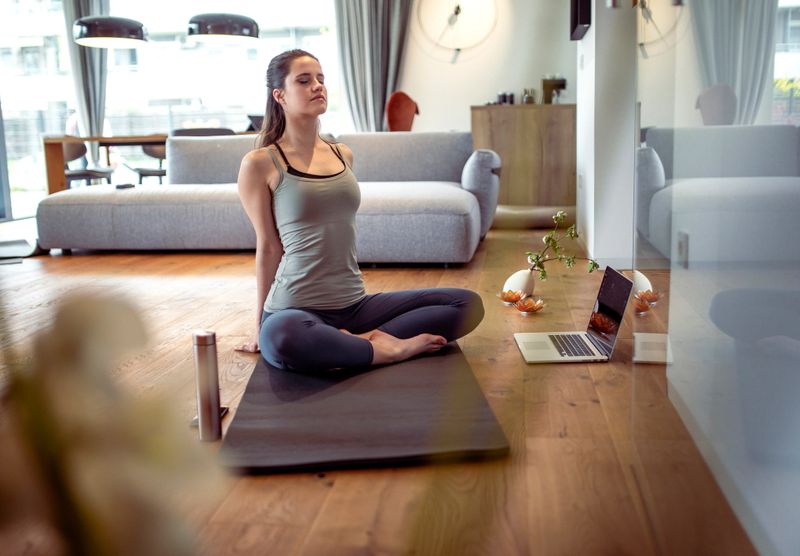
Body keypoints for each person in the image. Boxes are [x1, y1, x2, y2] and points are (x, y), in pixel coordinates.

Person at [235, 49, 484, 372]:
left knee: (467, 304)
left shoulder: (343, 155)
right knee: (281, 337)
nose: (317, 86)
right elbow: (268, 247)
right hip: (294, 309)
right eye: (304, 80)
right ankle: (388, 350)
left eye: (321, 79)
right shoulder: (261, 163)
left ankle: (355, 343)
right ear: (279, 95)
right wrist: (259, 326)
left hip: (355, 305)